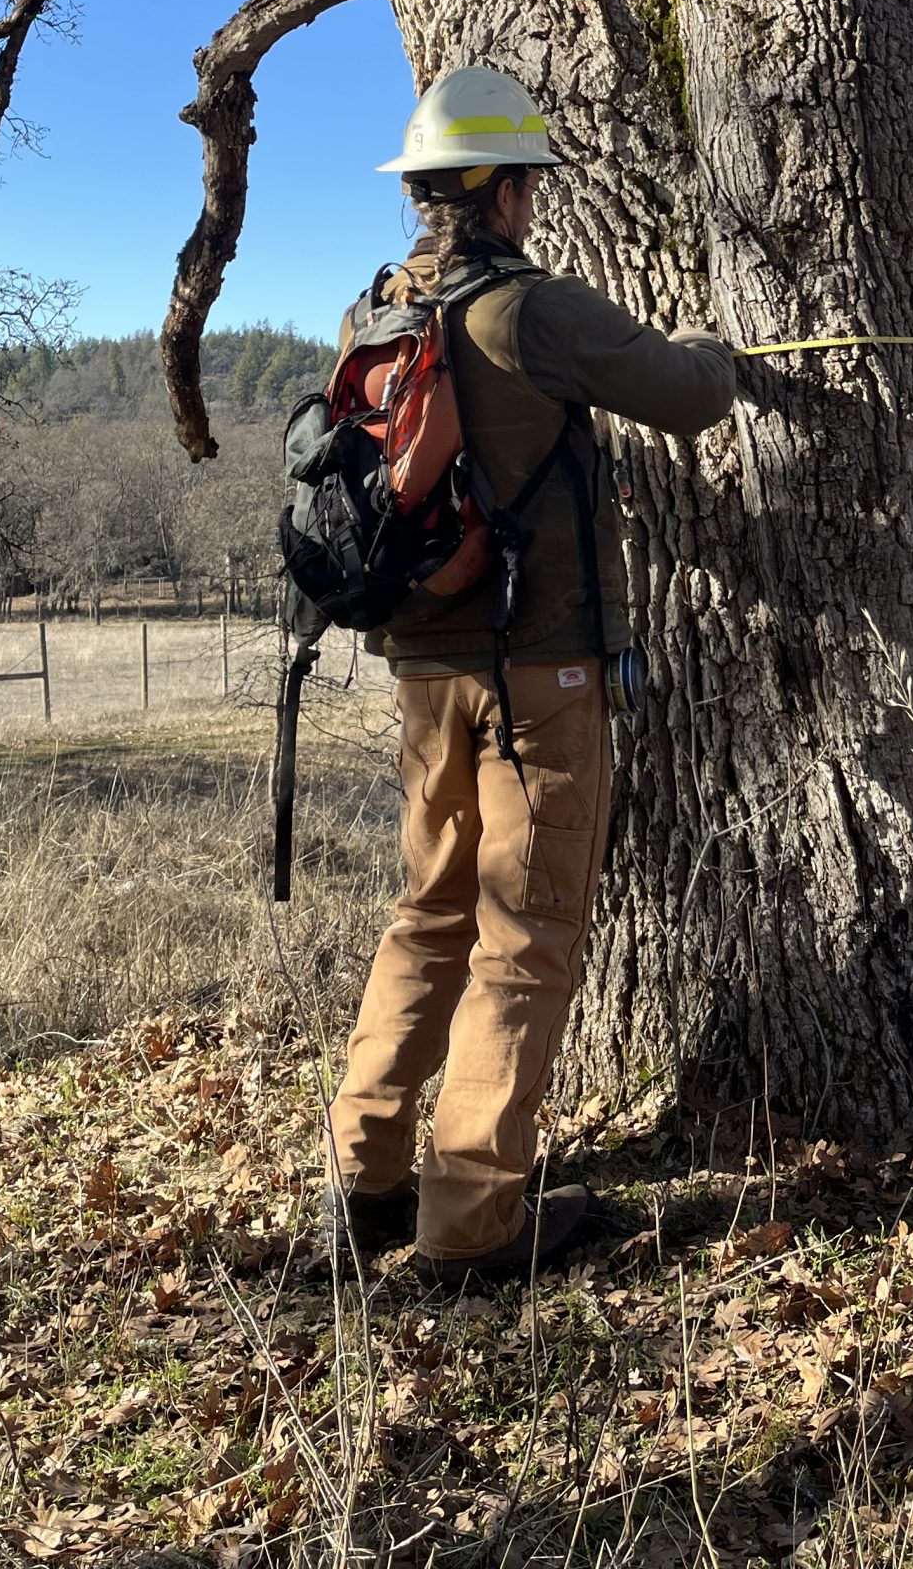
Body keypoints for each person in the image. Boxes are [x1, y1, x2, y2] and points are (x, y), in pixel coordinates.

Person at [325, 65, 736, 1282]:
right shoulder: (527, 310)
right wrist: (714, 339)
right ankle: (473, 1224)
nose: (536, 206)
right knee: (526, 933)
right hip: (536, 681)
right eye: (530, 185)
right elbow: (690, 393)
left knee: (431, 913)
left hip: (423, 675)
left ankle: (368, 1176)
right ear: (503, 191)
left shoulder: (375, 313)